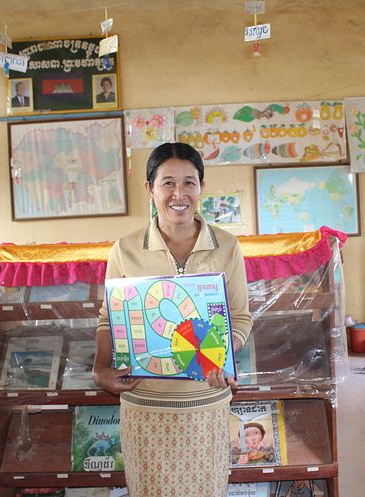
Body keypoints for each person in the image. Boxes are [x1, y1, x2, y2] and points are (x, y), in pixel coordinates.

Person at [93, 142, 252, 497]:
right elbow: (109, 319)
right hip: (145, 404)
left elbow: (240, 318)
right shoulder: (125, 249)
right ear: (149, 189)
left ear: (201, 187)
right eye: (167, 183)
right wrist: (100, 369)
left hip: (205, 402)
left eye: (189, 183)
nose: (179, 194)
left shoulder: (227, 246)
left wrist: (220, 356)